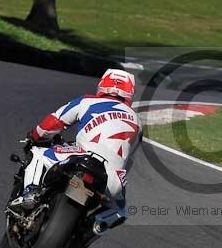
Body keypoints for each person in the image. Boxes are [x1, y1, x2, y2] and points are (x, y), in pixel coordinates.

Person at [9, 68, 142, 233]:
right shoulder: (138, 122)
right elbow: (129, 159)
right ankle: (91, 228)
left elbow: (53, 123)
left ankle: (31, 193)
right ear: (130, 93)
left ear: (102, 85)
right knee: (121, 211)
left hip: (83, 156)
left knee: (38, 153)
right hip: (113, 178)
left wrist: (35, 136)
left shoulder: (87, 101)